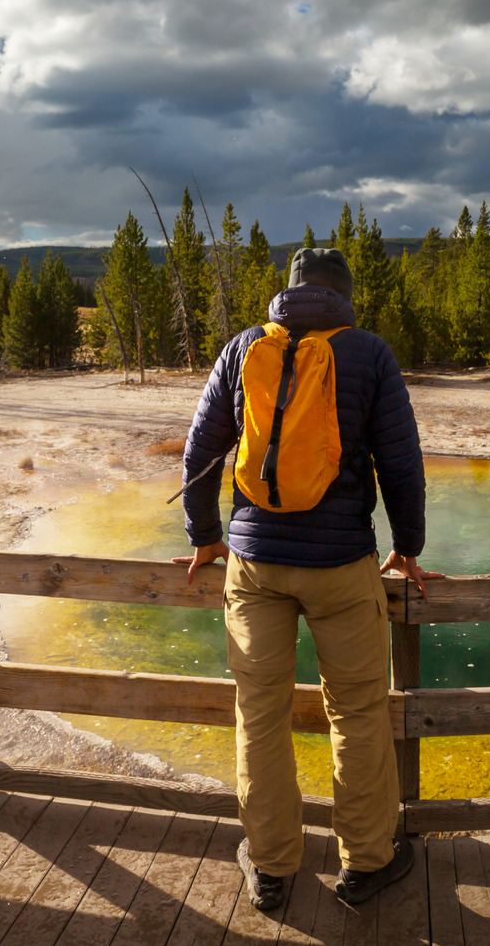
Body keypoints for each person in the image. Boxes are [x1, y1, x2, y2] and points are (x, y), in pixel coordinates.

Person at [177, 246, 439, 911]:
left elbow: (201, 451)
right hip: (342, 564)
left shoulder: (242, 349)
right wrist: (406, 545)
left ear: (287, 294)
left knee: (259, 714)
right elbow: (402, 465)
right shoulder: (370, 354)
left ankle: (270, 867)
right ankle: (368, 862)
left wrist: (205, 536)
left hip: (255, 563)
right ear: (344, 296)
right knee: (355, 711)